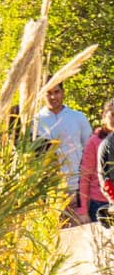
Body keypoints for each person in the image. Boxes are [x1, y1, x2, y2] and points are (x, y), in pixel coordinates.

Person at [34, 82, 94, 223]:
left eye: (57, 92)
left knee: (81, 232)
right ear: (42, 94)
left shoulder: (78, 117)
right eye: (49, 93)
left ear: (63, 92)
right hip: (49, 190)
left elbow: (90, 152)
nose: (53, 96)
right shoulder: (35, 121)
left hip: (78, 187)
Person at [82, 100, 114, 227]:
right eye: (112, 115)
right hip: (100, 203)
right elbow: (85, 175)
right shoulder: (95, 142)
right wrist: (83, 210)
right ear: (104, 117)